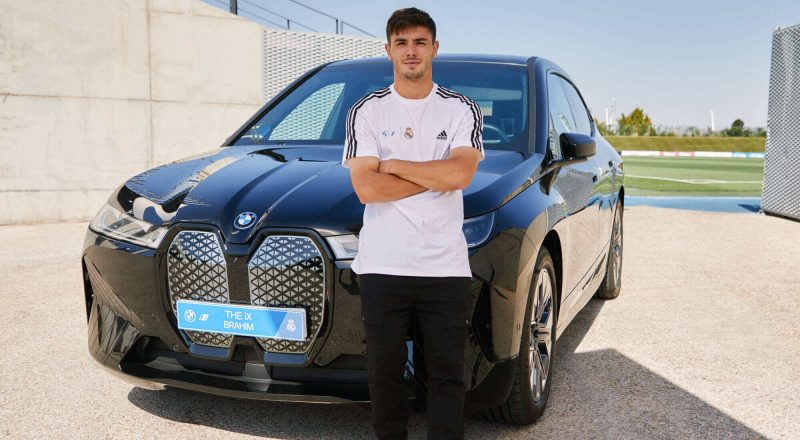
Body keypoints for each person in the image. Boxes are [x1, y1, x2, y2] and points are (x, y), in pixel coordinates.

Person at [341, 7, 484, 440]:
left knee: (446, 376)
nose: (411, 51)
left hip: (444, 267)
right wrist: (433, 175)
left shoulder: (460, 109)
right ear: (388, 50)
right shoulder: (367, 111)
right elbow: (367, 188)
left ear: (434, 48)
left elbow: (460, 175)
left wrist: (396, 165)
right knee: (385, 377)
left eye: (420, 42)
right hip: (383, 266)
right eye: (401, 43)